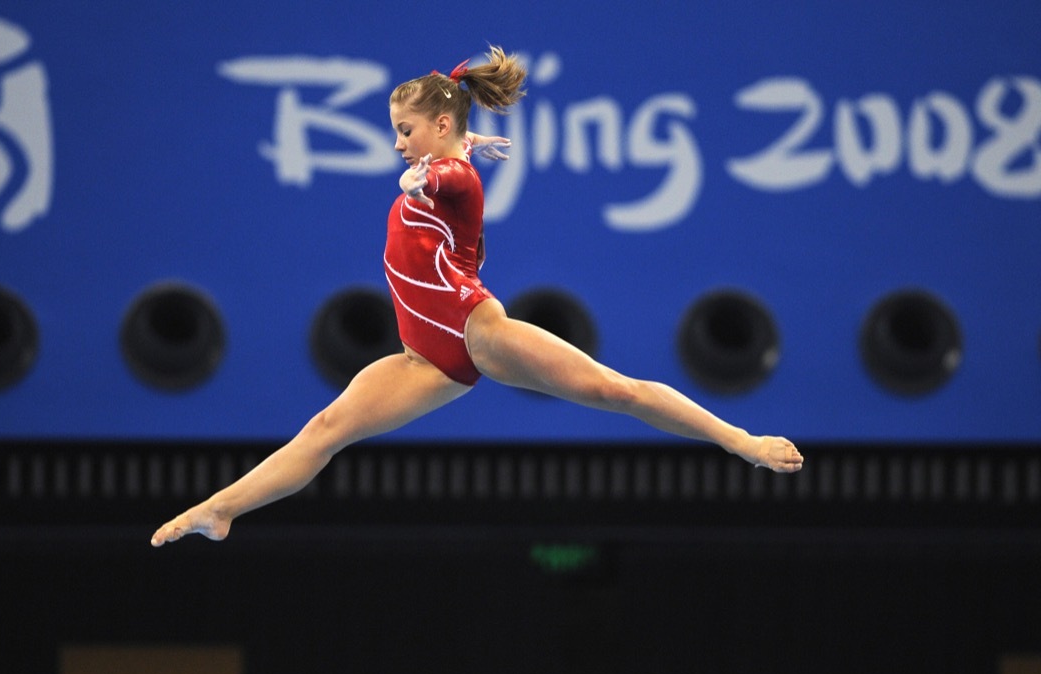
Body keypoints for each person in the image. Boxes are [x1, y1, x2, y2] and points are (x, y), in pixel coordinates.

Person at [151, 46, 803, 548]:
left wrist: (431, 169)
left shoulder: (450, 176)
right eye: (395, 131)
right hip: (423, 360)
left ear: (437, 126)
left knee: (616, 390)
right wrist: (452, 148)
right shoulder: (451, 153)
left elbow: (450, 174)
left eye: (406, 130)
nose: (398, 143)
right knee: (325, 430)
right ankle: (223, 508)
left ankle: (740, 440)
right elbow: (451, 151)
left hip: (476, 332)